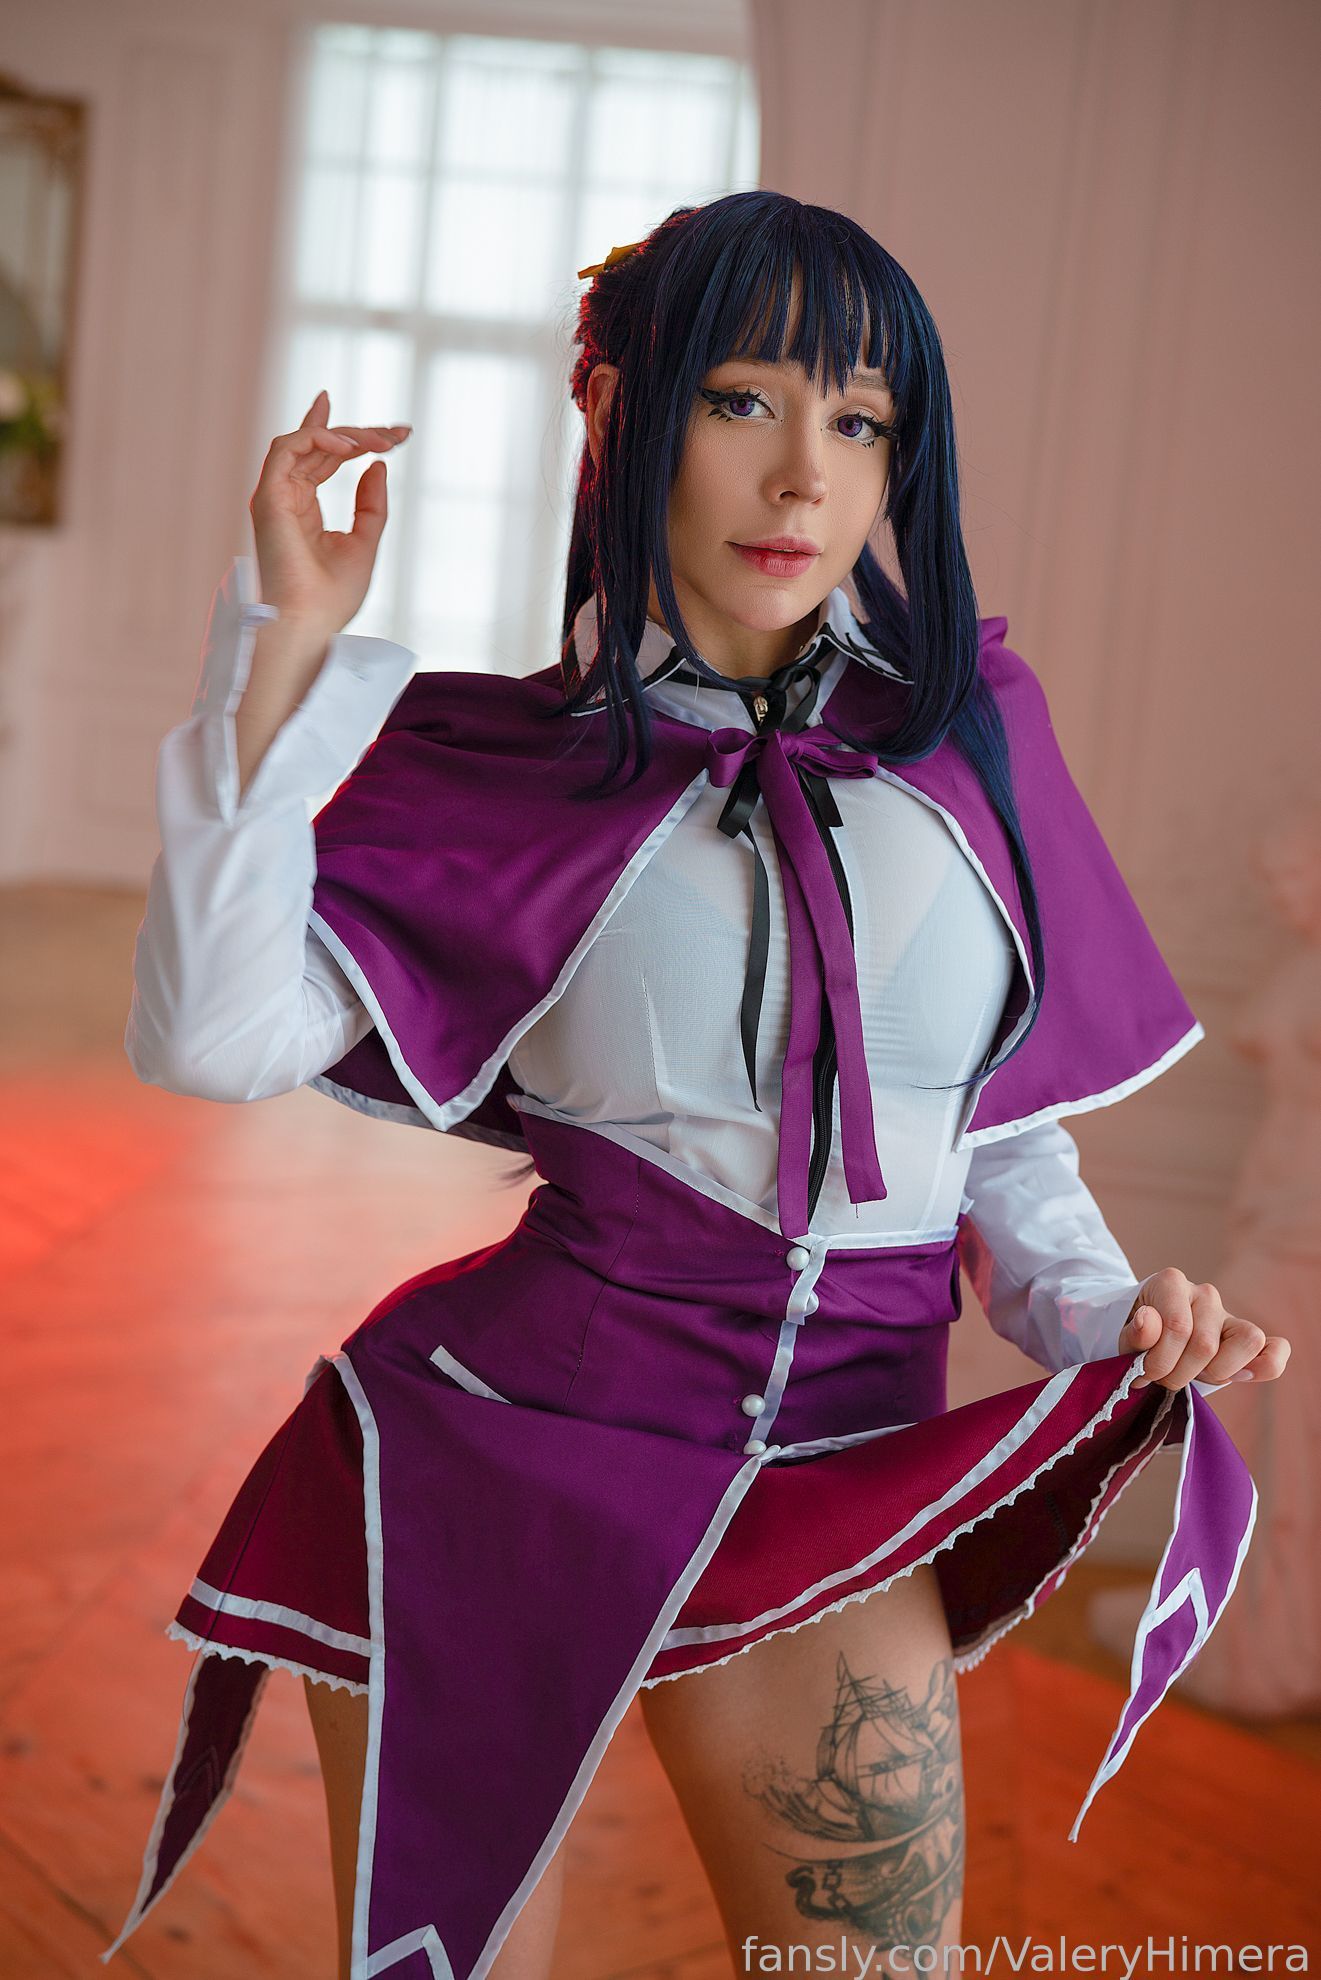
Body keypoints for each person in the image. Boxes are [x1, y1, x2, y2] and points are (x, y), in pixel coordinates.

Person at [101, 192, 1288, 1980]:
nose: (803, 475)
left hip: (839, 1465)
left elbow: (993, 1131)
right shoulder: (502, 766)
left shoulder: (968, 742)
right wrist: (276, 653)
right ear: (613, 407)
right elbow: (211, 1038)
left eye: (859, 421)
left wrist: (1108, 1313)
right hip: (498, 1454)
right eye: (742, 400)